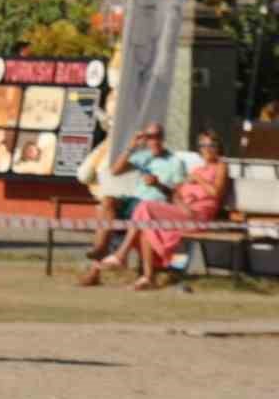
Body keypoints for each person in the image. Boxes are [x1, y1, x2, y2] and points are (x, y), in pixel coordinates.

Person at [92, 131, 228, 290]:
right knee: (145, 227)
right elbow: (175, 193)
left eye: (211, 145)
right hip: (183, 210)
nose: (207, 149)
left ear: (218, 147)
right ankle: (147, 278)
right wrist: (174, 193)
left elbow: (216, 193)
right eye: (203, 146)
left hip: (199, 215)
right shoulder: (196, 170)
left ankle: (122, 254)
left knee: (145, 207)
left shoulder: (220, 166)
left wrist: (198, 180)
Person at [82, 122, 185, 267]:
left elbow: (178, 195)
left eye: (157, 137)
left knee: (139, 208)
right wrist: (132, 146)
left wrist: (158, 185)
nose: (153, 141)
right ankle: (101, 248)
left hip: (155, 207)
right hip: (135, 201)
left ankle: (104, 261)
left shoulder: (175, 162)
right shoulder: (143, 156)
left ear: (163, 138)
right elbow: (115, 170)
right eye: (149, 137)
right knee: (107, 201)